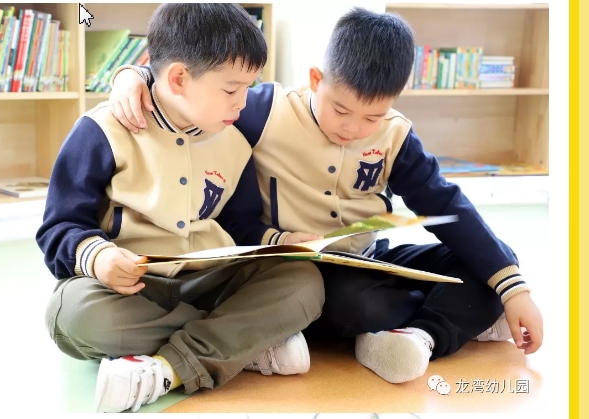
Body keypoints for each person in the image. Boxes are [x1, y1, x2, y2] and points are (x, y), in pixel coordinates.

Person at [106, 6, 544, 385]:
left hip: (370, 259)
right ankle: (447, 319)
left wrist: (514, 290)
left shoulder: (397, 135)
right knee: (359, 302)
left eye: (373, 116)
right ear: (316, 79)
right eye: (340, 109)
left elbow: (445, 205)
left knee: (495, 263)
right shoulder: (265, 111)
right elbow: (200, 90)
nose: (353, 127)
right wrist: (134, 75)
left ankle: (418, 336)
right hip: (299, 272)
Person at [36, 4, 325, 413]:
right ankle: (240, 342)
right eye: (231, 90)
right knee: (71, 314)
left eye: (249, 88)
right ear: (177, 79)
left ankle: (172, 364)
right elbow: (60, 226)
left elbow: (239, 224)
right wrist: (98, 258)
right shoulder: (102, 131)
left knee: (304, 281)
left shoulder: (235, 142)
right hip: (132, 289)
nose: (242, 104)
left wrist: (282, 241)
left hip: (213, 280)